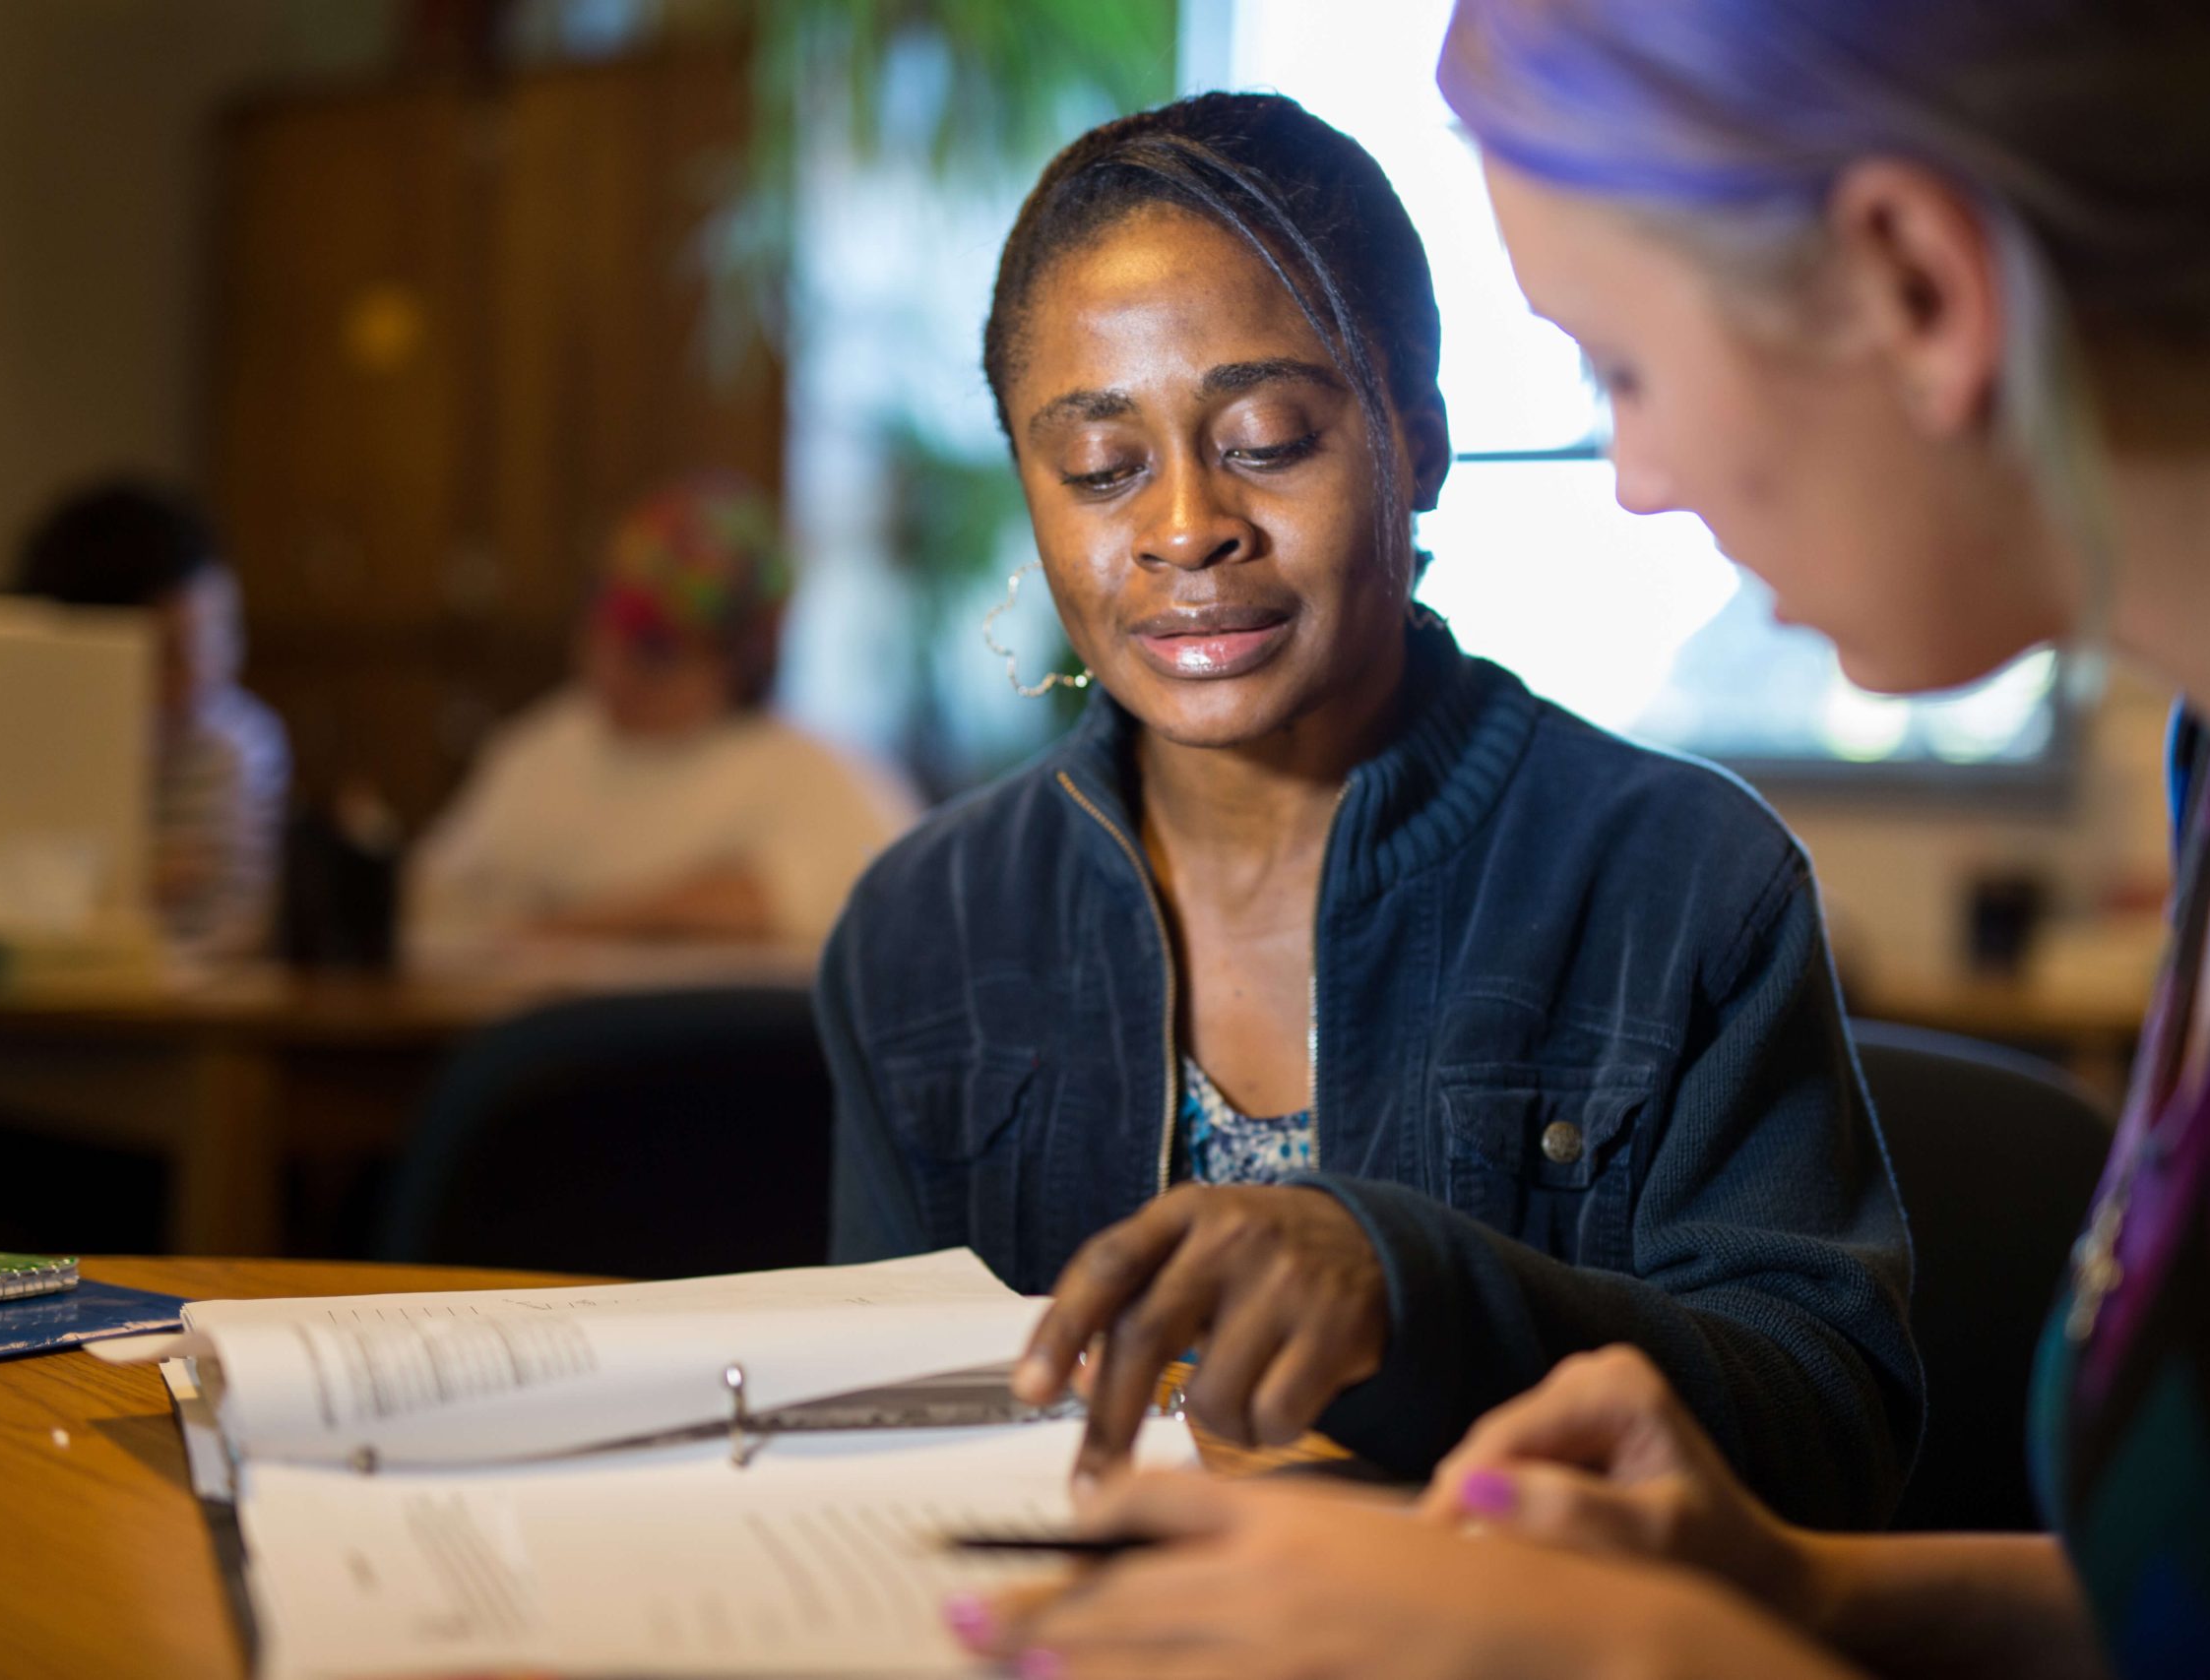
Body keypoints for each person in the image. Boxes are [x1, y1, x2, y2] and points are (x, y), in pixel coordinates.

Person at [964, 3, 2210, 1678]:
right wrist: (1803, 1594)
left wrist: (1629, 1655)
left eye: (1627, 366)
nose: (1637, 475)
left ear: (1917, 285)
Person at [818, 92, 1921, 1524]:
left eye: (1269, 439)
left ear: (1420, 441)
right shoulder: (926, 929)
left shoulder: (1679, 880)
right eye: (1100, 467)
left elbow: (1833, 1424)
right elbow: (871, 1448)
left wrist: (1413, 1289)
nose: (1181, 526)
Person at [409, 474, 916, 961]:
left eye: (653, 648)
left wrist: (577, 926)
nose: (610, 664)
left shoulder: (805, 769)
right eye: (603, 624)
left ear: (734, 662)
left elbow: (848, 898)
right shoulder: (543, 747)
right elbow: (436, 894)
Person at [15, 479, 289, 958]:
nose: (202, 680)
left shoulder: (234, 747)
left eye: (220, 637)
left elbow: (227, 942)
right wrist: (125, 894)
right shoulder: (23, 740)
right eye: (168, 657)